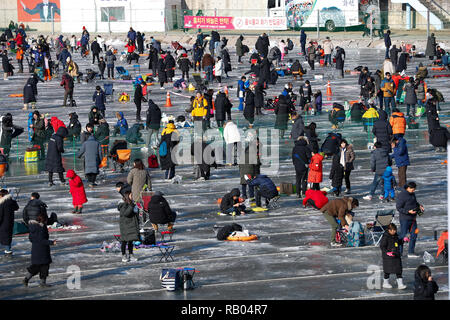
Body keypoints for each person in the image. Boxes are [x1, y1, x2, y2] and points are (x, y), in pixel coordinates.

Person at [22, 211, 56, 288]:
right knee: (44, 266)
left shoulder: (33, 227)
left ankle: (27, 279)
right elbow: (42, 240)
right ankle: (41, 282)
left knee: (37, 267)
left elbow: (31, 239)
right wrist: (51, 242)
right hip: (42, 251)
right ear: (44, 220)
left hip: (35, 250)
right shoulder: (41, 228)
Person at [396, 181, 424, 258]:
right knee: (402, 235)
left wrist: (419, 205)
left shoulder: (412, 194)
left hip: (413, 219)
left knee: (414, 235)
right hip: (405, 219)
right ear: (408, 188)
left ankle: (411, 252)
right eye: (412, 189)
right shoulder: (402, 195)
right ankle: (400, 252)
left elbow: (414, 202)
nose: (414, 190)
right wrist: (408, 211)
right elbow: (398, 208)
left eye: (414, 189)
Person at [380, 223, 407, 289]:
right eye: (392, 230)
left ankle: (400, 284)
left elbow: (398, 242)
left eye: (395, 230)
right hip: (388, 258)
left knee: (399, 270)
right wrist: (387, 253)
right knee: (387, 271)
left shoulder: (395, 236)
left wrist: (403, 240)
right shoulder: (385, 237)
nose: (394, 231)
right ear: (389, 230)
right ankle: (385, 283)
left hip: (396, 255)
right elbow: (382, 246)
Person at [118, 190, 140, 263]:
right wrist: (132, 206)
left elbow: (135, 212)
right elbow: (126, 213)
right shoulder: (123, 205)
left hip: (131, 225)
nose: (132, 196)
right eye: (131, 195)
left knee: (131, 240)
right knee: (124, 241)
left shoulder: (131, 203)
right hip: (125, 226)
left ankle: (131, 254)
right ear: (127, 196)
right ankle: (123, 255)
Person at [0, 189, 19, 257]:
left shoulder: (2, 203)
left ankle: (7, 250)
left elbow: (0, 215)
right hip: (10, 222)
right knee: (8, 236)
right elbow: (17, 207)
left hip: (3, 223)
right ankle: (8, 249)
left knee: (4, 236)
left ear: (2, 195)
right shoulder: (11, 201)